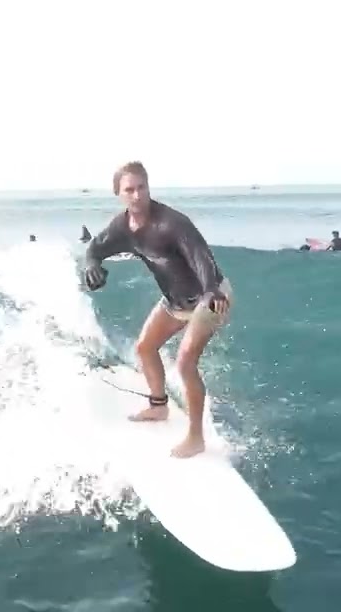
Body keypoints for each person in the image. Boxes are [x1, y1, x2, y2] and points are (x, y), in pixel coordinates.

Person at [82, 161, 232, 459]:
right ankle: (158, 406)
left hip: (210, 297)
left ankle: (196, 438)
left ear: (149, 188)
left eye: (142, 187)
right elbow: (94, 248)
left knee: (185, 363)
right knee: (144, 347)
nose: (137, 195)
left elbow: (201, 256)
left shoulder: (171, 222)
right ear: (119, 194)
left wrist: (211, 289)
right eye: (129, 190)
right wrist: (92, 265)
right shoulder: (121, 227)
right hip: (176, 302)